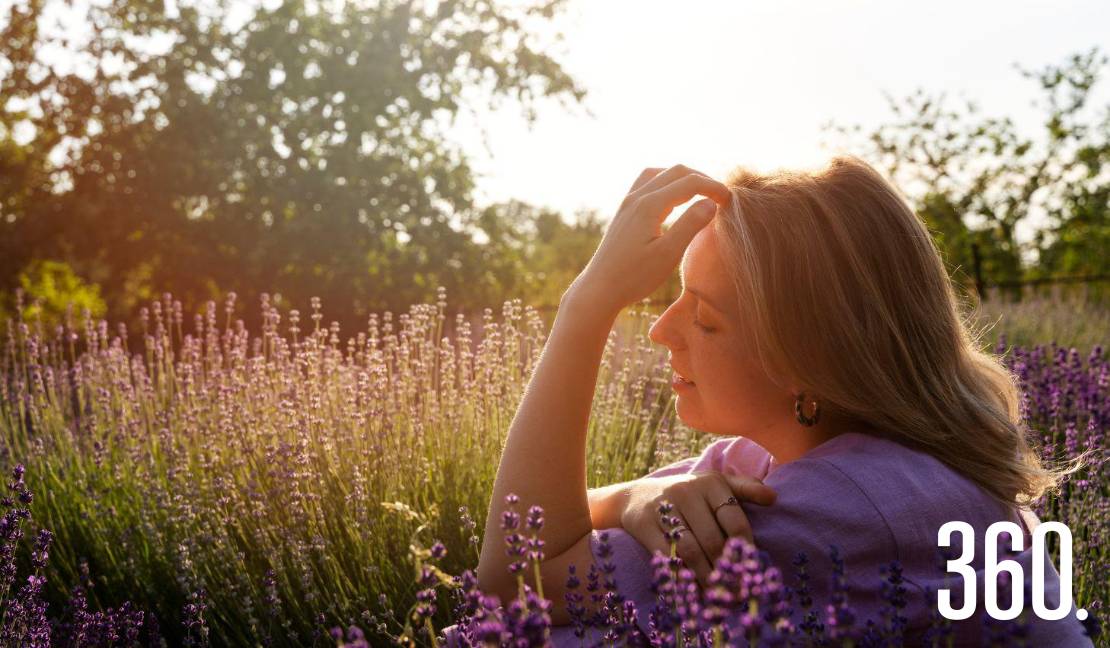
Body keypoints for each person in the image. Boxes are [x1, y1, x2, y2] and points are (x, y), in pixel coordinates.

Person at [472, 158, 1095, 646]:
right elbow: (548, 524)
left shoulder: (855, 504)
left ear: (809, 361)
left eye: (707, 318)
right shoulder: (767, 461)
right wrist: (633, 497)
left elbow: (512, 581)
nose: (661, 330)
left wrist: (586, 309)